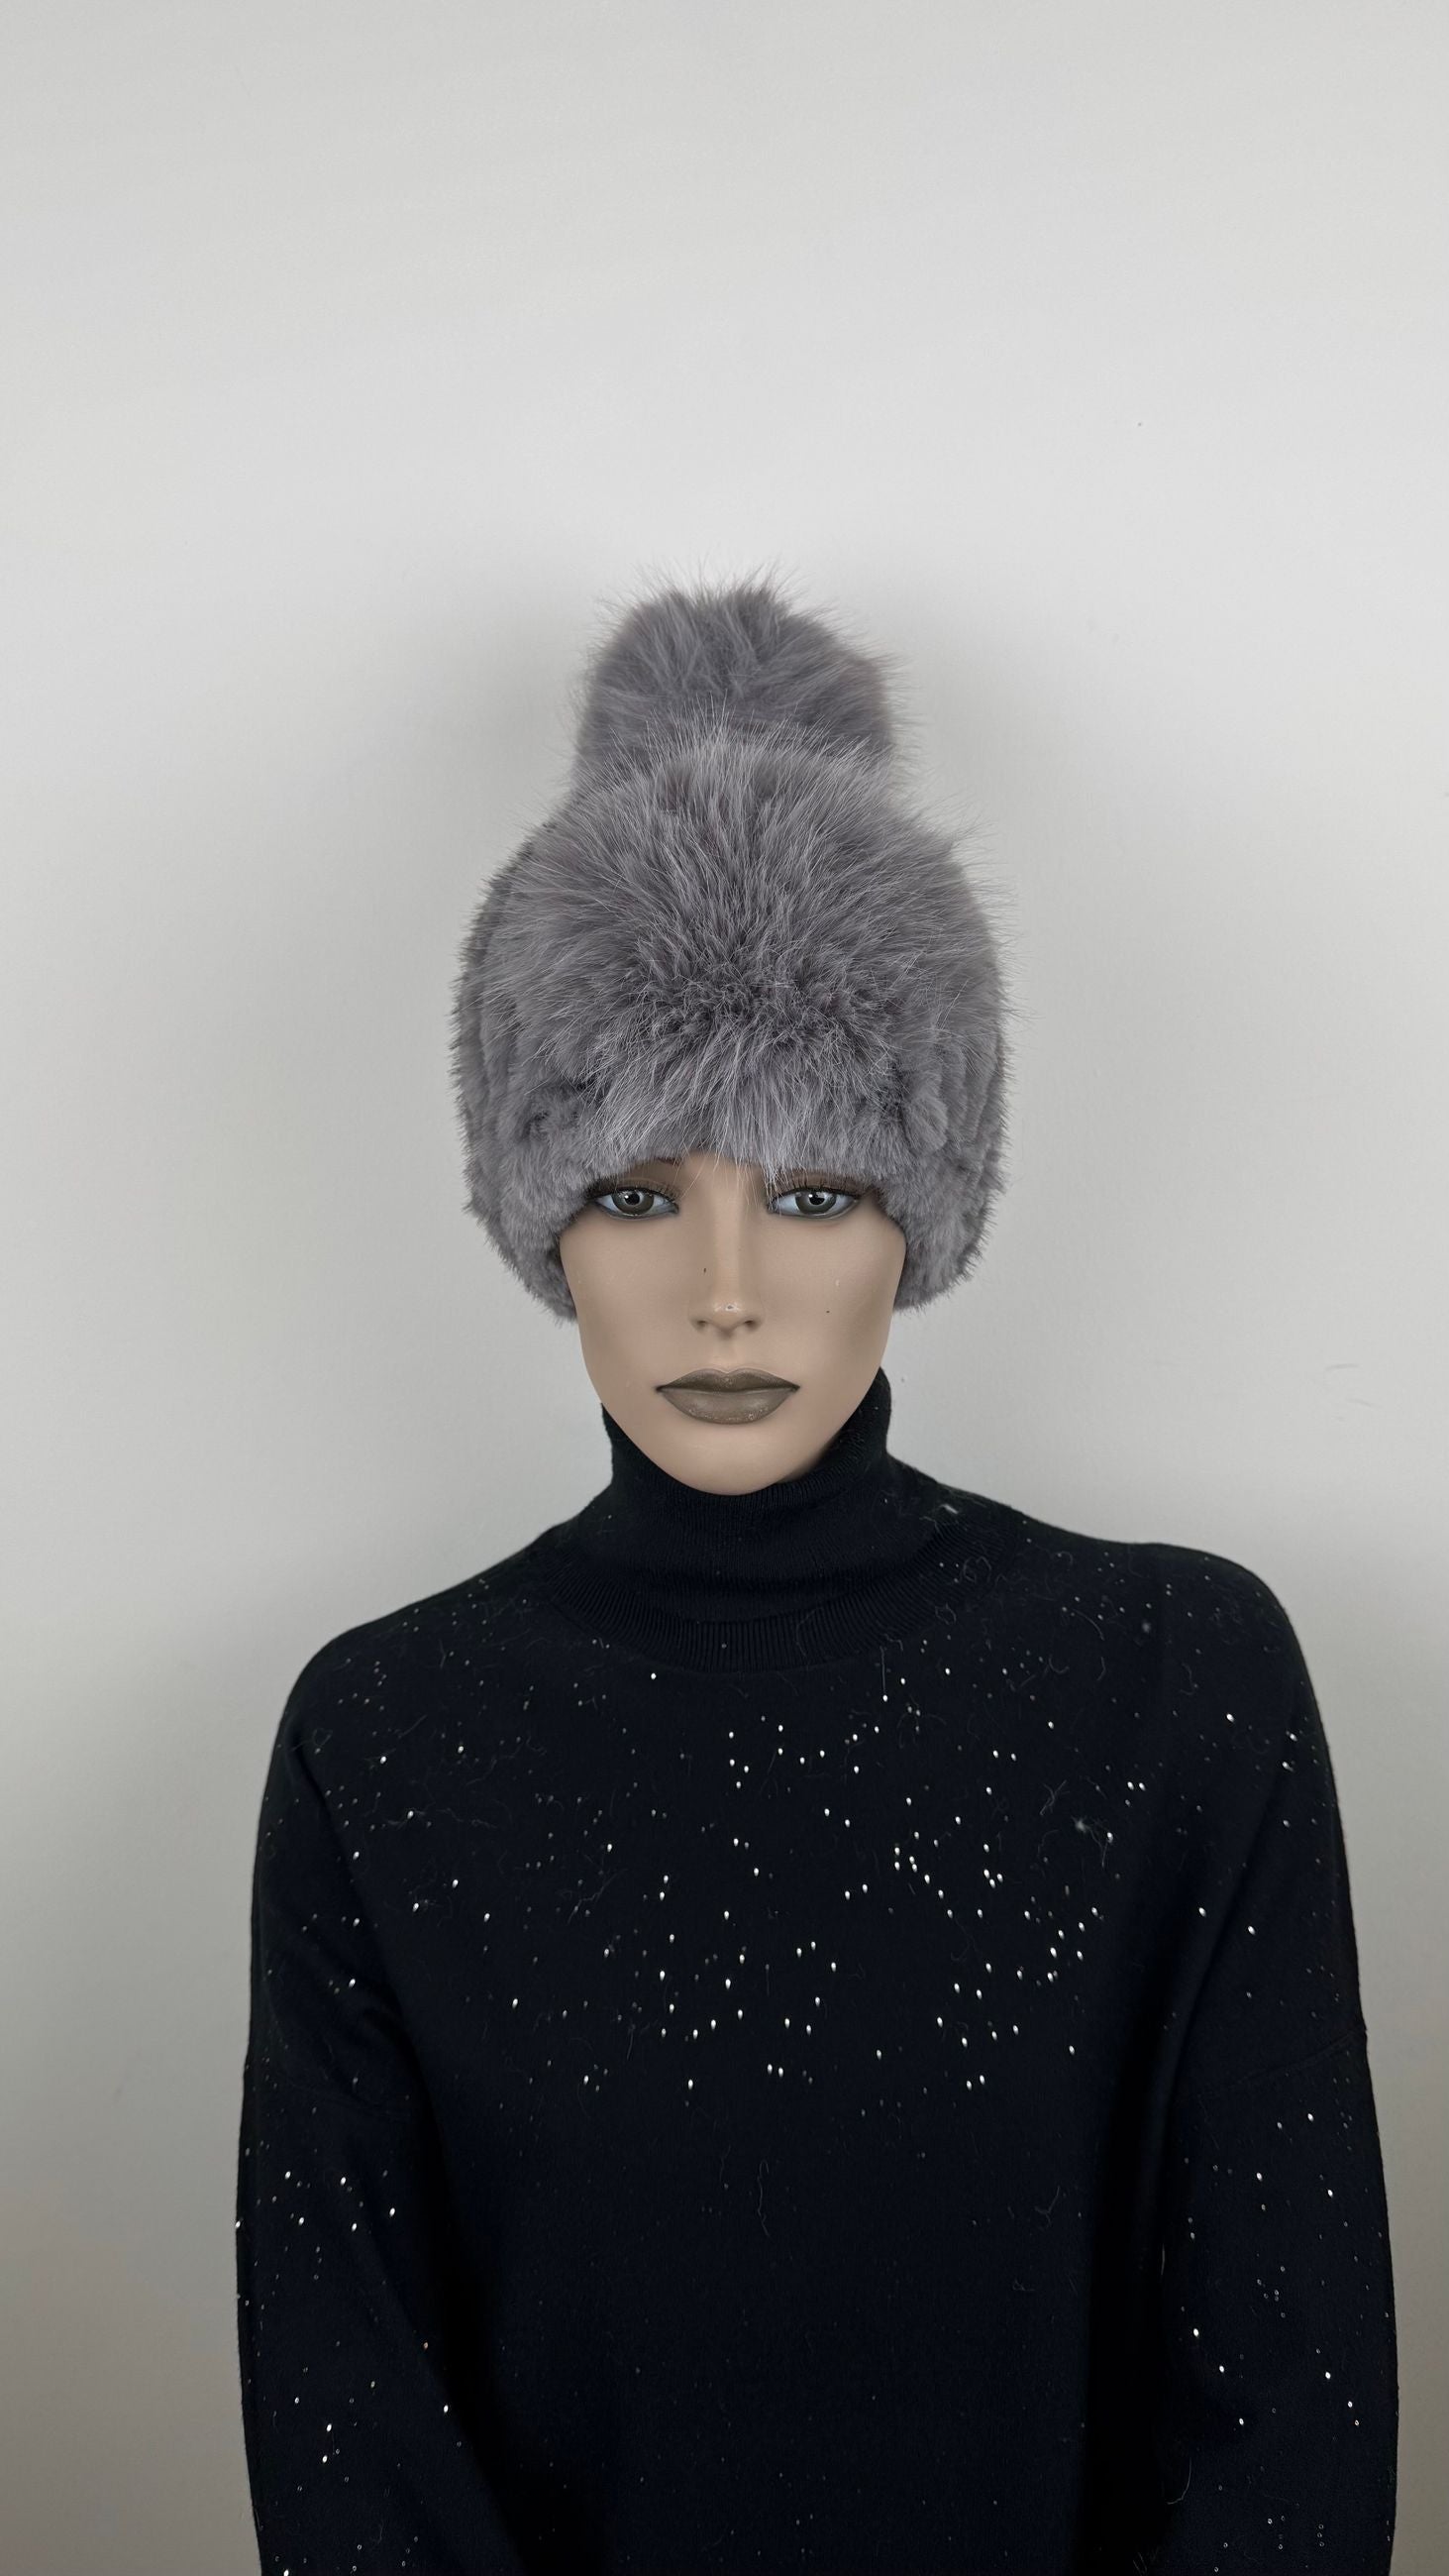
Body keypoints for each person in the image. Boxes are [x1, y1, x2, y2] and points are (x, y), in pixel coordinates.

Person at [236, 577, 1397, 2573]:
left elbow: (1286, 2400)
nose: (726, 1287)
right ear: (536, 1213)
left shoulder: (1176, 1677)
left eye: (813, 1187)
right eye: (635, 1189)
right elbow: (353, 2434)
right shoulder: (392, 1735)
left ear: (921, 1208)